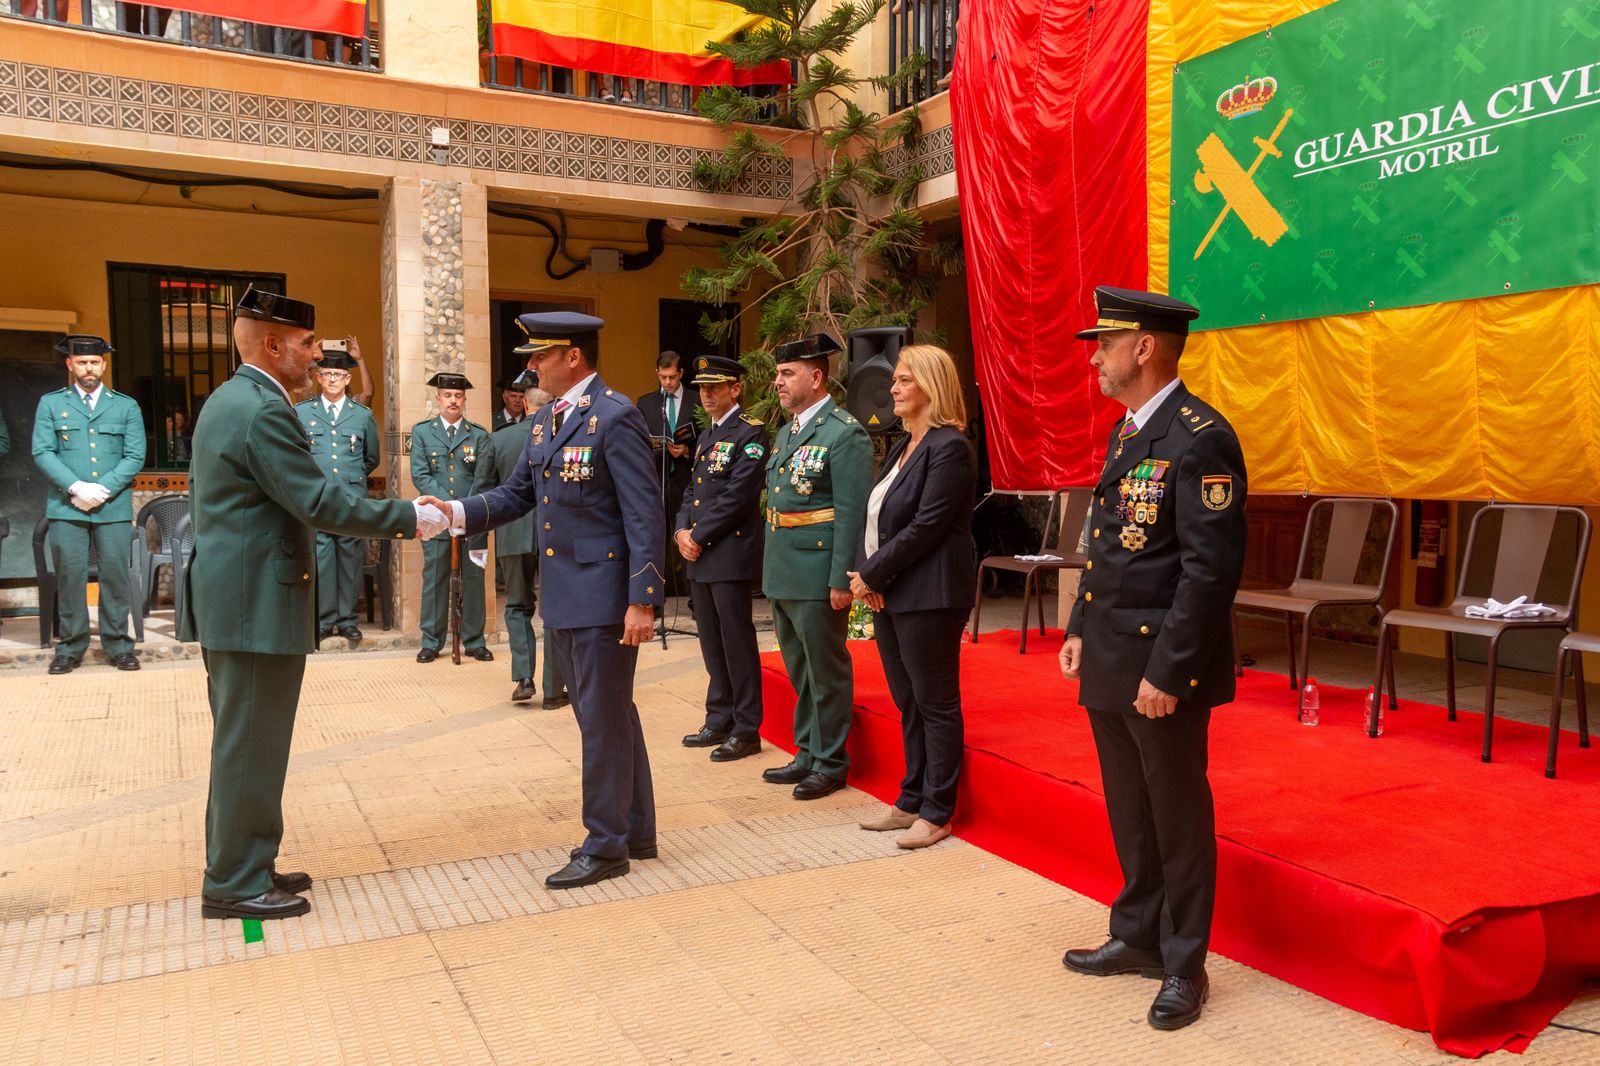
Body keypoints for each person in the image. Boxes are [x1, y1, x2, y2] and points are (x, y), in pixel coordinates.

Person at [180, 286, 446, 920]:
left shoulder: (239, 399)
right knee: (249, 744)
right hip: (252, 604)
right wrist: (410, 516)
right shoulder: (261, 410)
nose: (314, 353)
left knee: (251, 740)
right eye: (305, 344)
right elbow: (320, 502)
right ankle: (234, 883)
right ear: (272, 345)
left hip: (244, 598)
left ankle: (250, 859)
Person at [1057, 286, 1248, 1031]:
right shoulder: (1131, 429)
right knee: (1129, 808)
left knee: (1175, 812)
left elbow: (1208, 571)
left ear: (1144, 348)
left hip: (1159, 664)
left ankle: (1184, 964)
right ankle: (1136, 934)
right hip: (1109, 650)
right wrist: (1077, 620)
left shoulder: (1200, 435)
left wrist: (1170, 671)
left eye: (1104, 343)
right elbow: (1110, 545)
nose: (1094, 356)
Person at [422, 312, 665, 890]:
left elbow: (643, 512)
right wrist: (456, 513)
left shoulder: (615, 416)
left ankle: (605, 845)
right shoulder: (545, 422)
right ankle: (636, 829)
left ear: (573, 357)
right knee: (607, 713)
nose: (531, 365)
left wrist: (643, 598)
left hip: (605, 597)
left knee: (601, 720)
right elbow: (515, 495)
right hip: (565, 594)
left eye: (540, 355)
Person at [848, 344, 976, 849]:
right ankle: (912, 796)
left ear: (931, 385)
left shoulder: (949, 447)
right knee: (908, 700)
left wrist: (872, 575)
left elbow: (927, 526)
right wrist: (871, 577)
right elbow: (875, 517)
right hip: (895, 589)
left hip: (932, 592)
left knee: (935, 701)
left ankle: (939, 809)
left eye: (904, 380)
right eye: (895, 381)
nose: (893, 389)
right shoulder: (904, 446)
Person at [760, 334, 872, 800]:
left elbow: (851, 512)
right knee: (799, 668)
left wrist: (840, 579)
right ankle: (807, 751)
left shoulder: (844, 432)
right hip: (785, 566)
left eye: (787, 374)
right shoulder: (788, 431)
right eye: (779, 373)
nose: (778, 382)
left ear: (816, 377)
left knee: (825, 670)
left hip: (818, 569)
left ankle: (830, 761)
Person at [31, 335, 147, 675]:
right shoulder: (51, 404)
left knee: (115, 576)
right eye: (82, 362)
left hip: (112, 506)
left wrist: (104, 489)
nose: (89, 368)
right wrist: (76, 487)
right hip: (67, 506)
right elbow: (42, 451)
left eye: (95, 362)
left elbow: (135, 454)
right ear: (70, 364)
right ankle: (70, 647)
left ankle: (118, 645)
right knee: (70, 576)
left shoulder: (125, 406)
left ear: (104, 365)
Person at [674, 354, 769, 762]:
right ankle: (720, 717)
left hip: (727, 550)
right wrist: (680, 530)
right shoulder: (706, 435)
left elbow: (737, 495)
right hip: (699, 551)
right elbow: (690, 493)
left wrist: (698, 534)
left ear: (735, 389)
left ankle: (747, 728)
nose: (707, 393)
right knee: (711, 641)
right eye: (702, 387)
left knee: (736, 641)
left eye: (715, 386)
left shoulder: (751, 433)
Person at [487, 368, 568, 708]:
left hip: (512, 533)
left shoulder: (500, 438)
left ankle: (524, 677)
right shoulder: (563, 435)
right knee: (554, 610)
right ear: (550, 404)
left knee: (517, 606)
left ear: (523, 405)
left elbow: (488, 491)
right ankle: (553, 689)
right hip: (555, 534)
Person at [295, 345, 381, 643]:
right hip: (318, 497)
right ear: (318, 377)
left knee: (349, 556)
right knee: (321, 557)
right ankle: (323, 619)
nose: (333, 379)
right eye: (327, 374)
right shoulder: (303, 413)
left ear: (347, 379)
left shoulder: (361, 415)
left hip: (350, 497)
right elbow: (298, 456)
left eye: (339, 375)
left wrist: (350, 479)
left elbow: (371, 458)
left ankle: (346, 620)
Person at [410, 373, 495, 663]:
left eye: (458, 396)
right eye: (447, 395)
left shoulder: (479, 435)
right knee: (434, 578)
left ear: (465, 399)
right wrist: (447, 508)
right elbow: (420, 474)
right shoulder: (422, 432)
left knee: (474, 577)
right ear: (438, 399)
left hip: (473, 519)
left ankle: (474, 640)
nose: (453, 401)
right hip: (435, 520)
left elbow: (483, 478)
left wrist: (462, 508)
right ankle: (431, 641)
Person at [638, 351, 700, 594]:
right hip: (658, 477)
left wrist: (686, 450)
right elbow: (639, 442)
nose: (667, 383)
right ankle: (655, 597)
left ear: (681, 374)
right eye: (663, 377)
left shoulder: (696, 400)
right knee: (656, 537)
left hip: (688, 478)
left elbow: (707, 438)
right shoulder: (646, 402)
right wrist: (658, 446)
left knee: (690, 535)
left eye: (672, 377)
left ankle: (695, 599)